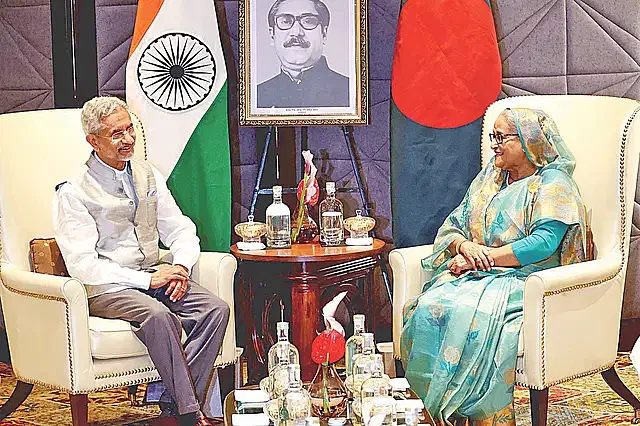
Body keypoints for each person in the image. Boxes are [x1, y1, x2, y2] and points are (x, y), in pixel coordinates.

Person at [400, 108, 589, 425]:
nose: (494, 145)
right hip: (479, 274)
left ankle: (483, 417)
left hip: (529, 281)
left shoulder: (553, 184)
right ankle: (437, 413)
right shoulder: (491, 178)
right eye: (493, 136)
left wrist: (484, 256)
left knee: (473, 316)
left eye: (502, 137)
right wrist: (466, 246)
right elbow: (455, 225)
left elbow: (543, 243)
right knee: (426, 306)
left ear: (528, 142)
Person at [53, 96, 230, 426]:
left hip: (153, 272)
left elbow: (180, 228)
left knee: (215, 310)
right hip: (105, 285)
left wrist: (181, 267)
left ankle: (174, 403)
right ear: (93, 140)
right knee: (158, 315)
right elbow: (83, 265)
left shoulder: (149, 175)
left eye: (129, 129)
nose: (128, 139)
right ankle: (191, 414)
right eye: (116, 134)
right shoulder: (73, 191)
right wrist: (148, 281)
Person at [257, 0, 349, 108]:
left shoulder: (351, 92)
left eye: (308, 21)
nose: (296, 32)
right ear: (272, 35)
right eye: (286, 21)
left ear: (324, 33)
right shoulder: (257, 97)